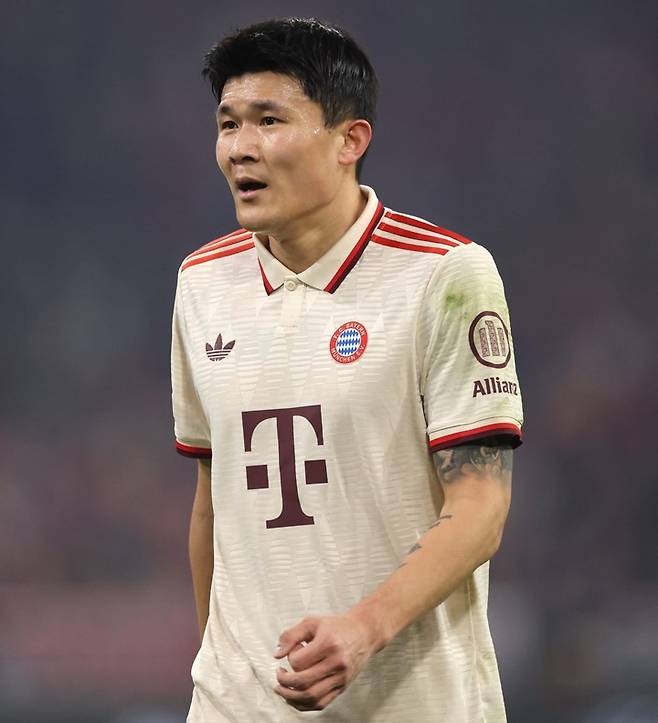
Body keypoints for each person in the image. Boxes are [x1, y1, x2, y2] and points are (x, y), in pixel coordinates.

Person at [171, 17, 523, 723]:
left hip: (411, 703)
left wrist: (363, 628)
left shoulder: (446, 275)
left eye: (269, 120)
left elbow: (480, 506)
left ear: (349, 140)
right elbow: (213, 499)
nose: (240, 147)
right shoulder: (201, 282)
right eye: (228, 124)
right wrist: (220, 673)